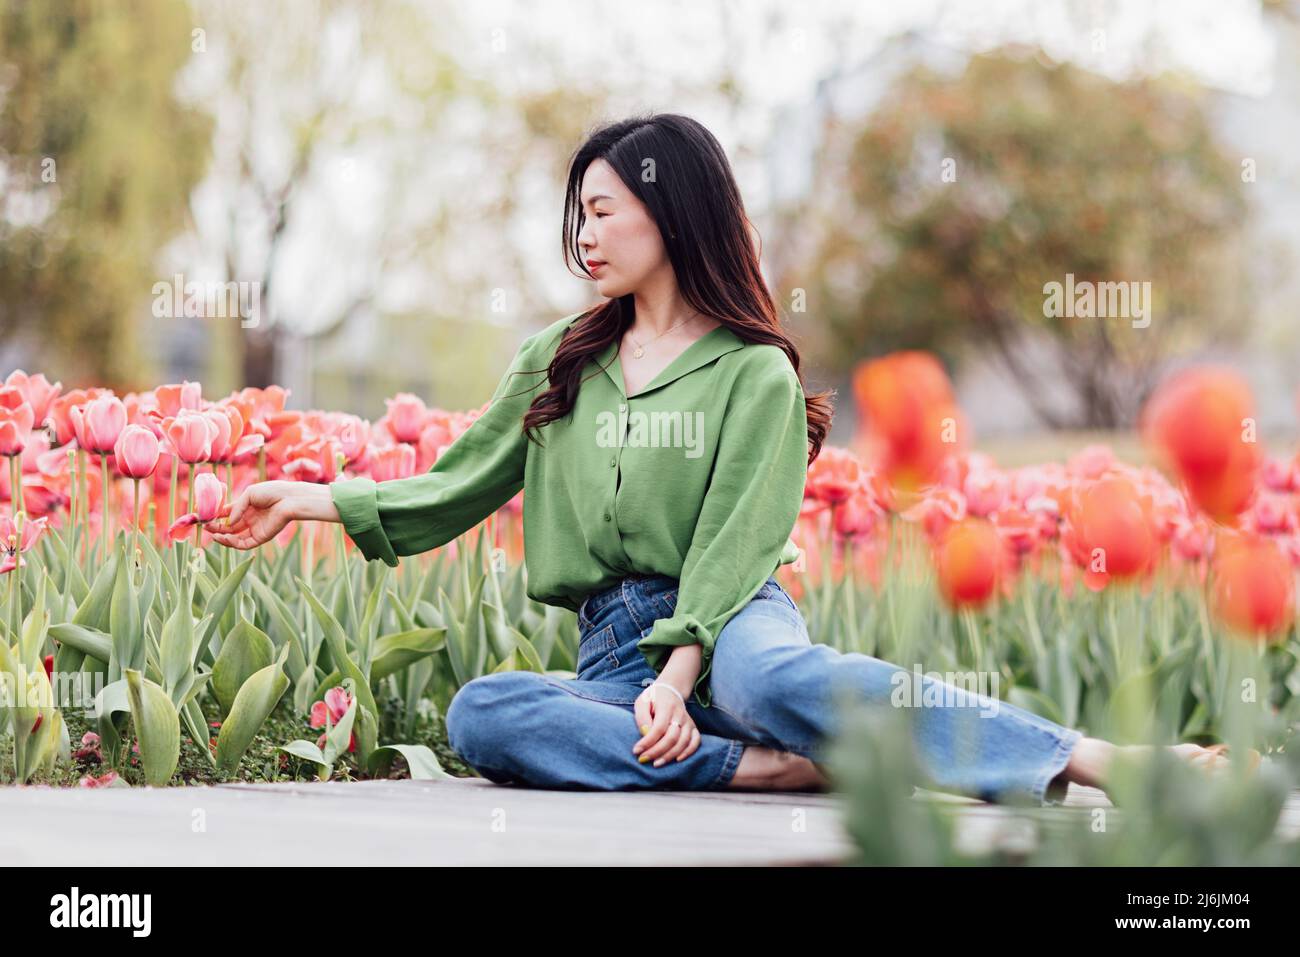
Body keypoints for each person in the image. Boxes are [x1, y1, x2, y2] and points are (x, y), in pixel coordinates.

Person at [211, 113, 1244, 803]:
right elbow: (458, 483)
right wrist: (303, 496)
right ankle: (760, 770)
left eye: (604, 209)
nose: (585, 234)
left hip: (733, 620)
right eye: (579, 214)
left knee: (780, 673)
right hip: (615, 655)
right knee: (488, 714)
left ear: (673, 211)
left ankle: (1094, 761)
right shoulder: (558, 361)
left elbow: (735, 540)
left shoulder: (752, 372)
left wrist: (685, 665)